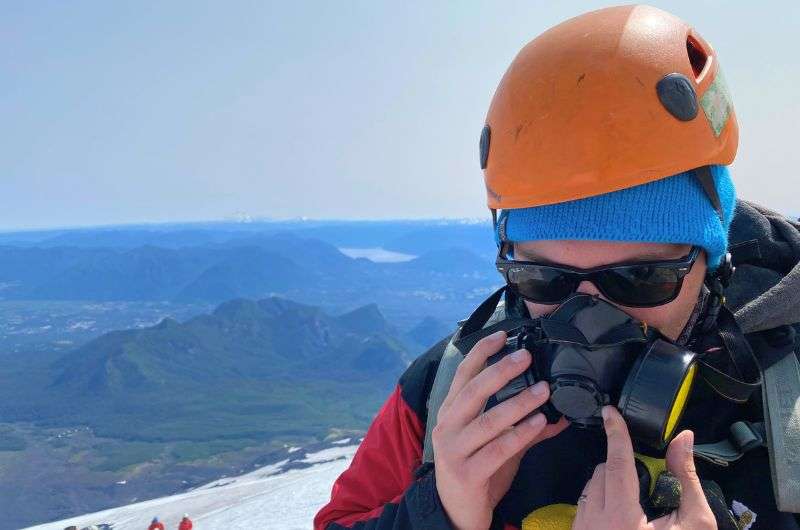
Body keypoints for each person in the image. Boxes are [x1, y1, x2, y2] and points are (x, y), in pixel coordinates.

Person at [315, 4, 800, 530]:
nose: (588, 317)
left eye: (641, 277)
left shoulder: (787, 391)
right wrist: (440, 512)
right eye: (544, 279)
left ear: (716, 264)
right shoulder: (450, 393)